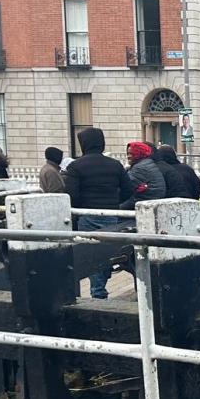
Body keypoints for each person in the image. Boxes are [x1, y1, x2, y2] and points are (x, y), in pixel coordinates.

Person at [64, 128, 133, 299]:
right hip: (110, 213)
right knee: (109, 251)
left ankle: (98, 291)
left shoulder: (75, 166)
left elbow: (71, 195)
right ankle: (102, 285)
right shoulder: (115, 165)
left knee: (91, 253)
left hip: (87, 214)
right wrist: (114, 202)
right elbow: (128, 190)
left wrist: (80, 209)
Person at [121, 141, 165, 209]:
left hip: (144, 201)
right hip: (150, 200)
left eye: (131, 153)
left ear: (139, 153)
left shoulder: (140, 167)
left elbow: (126, 186)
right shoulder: (147, 163)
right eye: (128, 153)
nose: (128, 156)